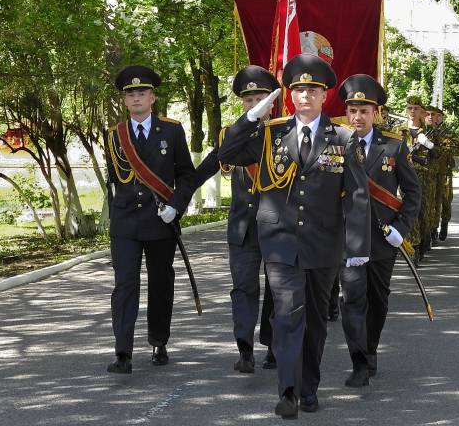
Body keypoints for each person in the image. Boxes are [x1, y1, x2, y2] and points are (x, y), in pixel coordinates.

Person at [218, 54, 371, 419]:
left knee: (316, 322)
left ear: (324, 95)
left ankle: (309, 387)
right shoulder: (270, 133)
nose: (305, 95)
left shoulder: (344, 138)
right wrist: (253, 116)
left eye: (312, 90)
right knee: (286, 317)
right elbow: (226, 152)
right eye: (298, 89)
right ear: (289, 95)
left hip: (323, 247)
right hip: (280, 244)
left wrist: (357, 248)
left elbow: (358, 195)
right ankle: (287, 391)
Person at [104, 65, 196, 374]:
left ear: (152, 97)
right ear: (125, 100)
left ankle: (158, 341)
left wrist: (176, 205)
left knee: (160, 283)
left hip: (160, 221)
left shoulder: (171, 130)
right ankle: (123, 352)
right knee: (125, 285)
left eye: (142, 92)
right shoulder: (114, 135)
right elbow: (113, 181)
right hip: (126, 225)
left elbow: (186, 174)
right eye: (131, 94)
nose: (136, 97)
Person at [193, 65, 278, 373]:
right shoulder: (232, 134)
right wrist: (178, 197)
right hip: (242, 228)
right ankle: (244, 348)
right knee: (243, 288)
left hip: (276, 226)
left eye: (260, 98)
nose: (254, 103)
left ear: (272, 101)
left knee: (276, 288)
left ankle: (273, 345)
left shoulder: (282, 132)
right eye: (248, 99)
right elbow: (210, 166)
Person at [338, 74, 421, 386]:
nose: (357, 117)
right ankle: (359, 362)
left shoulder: (394, 148)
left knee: (378, 299)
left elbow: (413, 193)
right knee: (352, 299)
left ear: (376, 113)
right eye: (352, 111)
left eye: (364, 111)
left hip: (383, 238)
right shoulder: (335, 145)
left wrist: (402, 228)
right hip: (348, 238)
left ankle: (370, 349)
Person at [427, 108, 459, 241]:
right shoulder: (424, 132)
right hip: (428, 173)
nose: (432, 117)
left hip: (444, 173)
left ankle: (444, 223)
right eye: (428, 114)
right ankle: (432, 230)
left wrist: (447, 146)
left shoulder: (447, 134)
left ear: (441, 118)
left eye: (435, 115)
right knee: (431, 202)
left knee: (445, 200)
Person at [403, 96, 436, 261]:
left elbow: (435, 154)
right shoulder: (398, 130)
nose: (412, 111)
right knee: (408, 211)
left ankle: (423, 240)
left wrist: (430, 145)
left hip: (423, 175)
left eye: (416, 108)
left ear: (421, 111)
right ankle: (412, 247)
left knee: (423, 211)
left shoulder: (429, 131)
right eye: (410, 108)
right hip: (402, 175)